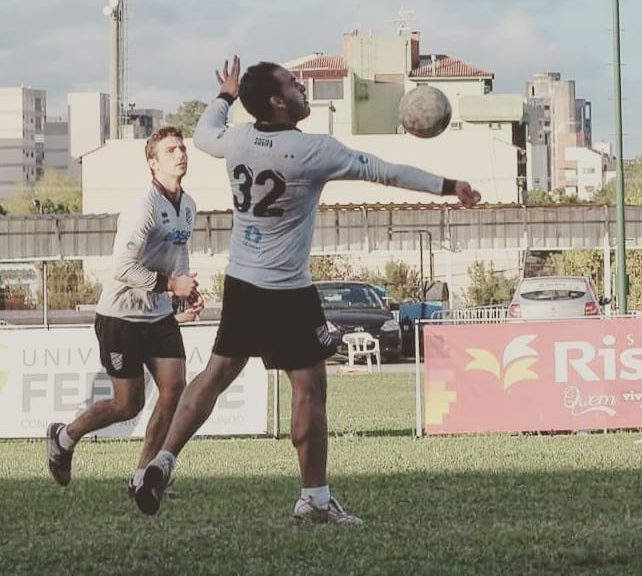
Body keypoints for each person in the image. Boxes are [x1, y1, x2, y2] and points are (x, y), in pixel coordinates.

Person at [134, 57, 481, 522]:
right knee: (309, 388)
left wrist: (225, 95)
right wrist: (447, 186)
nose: (303, 90)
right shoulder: (314, 150)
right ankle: (314, 499)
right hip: (287, 290)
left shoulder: (237, 139)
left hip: (241, 281)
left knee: (215, 377)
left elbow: (202, 134)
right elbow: (384, 171)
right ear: (278, 102)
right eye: (294, 85)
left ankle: (161, 463)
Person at [47, 125, 204, 495]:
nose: (180, 154)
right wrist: (170, 284)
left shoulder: (190, 206)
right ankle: (64, 437)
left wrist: (185, 292)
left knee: (174, 388)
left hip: (158, 315)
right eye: (170, 150)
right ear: (152, 163)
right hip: (120, 317)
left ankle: (143, 478)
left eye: (181, 148)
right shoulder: (143, 205)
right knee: (128, 403)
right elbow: (121, 268)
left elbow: (178, 256)